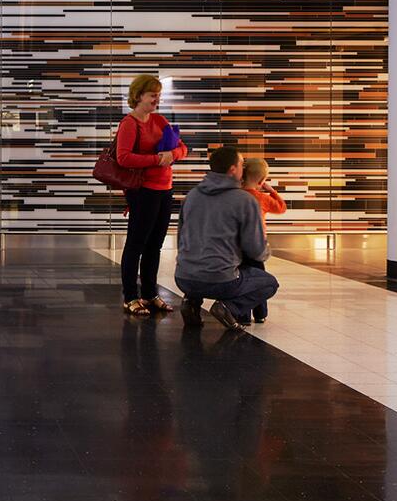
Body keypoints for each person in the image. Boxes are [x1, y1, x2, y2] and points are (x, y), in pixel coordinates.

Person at [175, 144, 278, 332]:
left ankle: (191, 301)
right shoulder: (244, 200)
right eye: (241, 164)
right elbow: (255, 250)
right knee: (269, 283)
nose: (243, 168)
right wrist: (266, 250)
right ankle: (228, 308)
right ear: (233, 170)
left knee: (203, 267)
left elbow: (181, 237)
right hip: (221, 280)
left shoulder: (192, 196)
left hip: (184, 278)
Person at [114, 74, 182, 317]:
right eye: (153, 95)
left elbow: (181, 147)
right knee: (136, 244)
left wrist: (172, 155)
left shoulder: (160, 120)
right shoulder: (130, 124)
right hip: (143, 191)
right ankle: (130, 297)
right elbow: (123, 158)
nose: (157, 99)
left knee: (155, 244)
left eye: (159, 95)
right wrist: (157, 159)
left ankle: (150, 294)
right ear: (139, 95)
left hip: (165, 190)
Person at [237, 157, 284, 323]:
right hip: (257, 245)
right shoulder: (262, 198)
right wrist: (271, 190)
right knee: (259, 279)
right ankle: (260, 313)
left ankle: (242, 315)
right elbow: (281, 207)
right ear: (262, 180)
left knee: (241, 278)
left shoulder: (236, 195)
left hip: (238, 245)